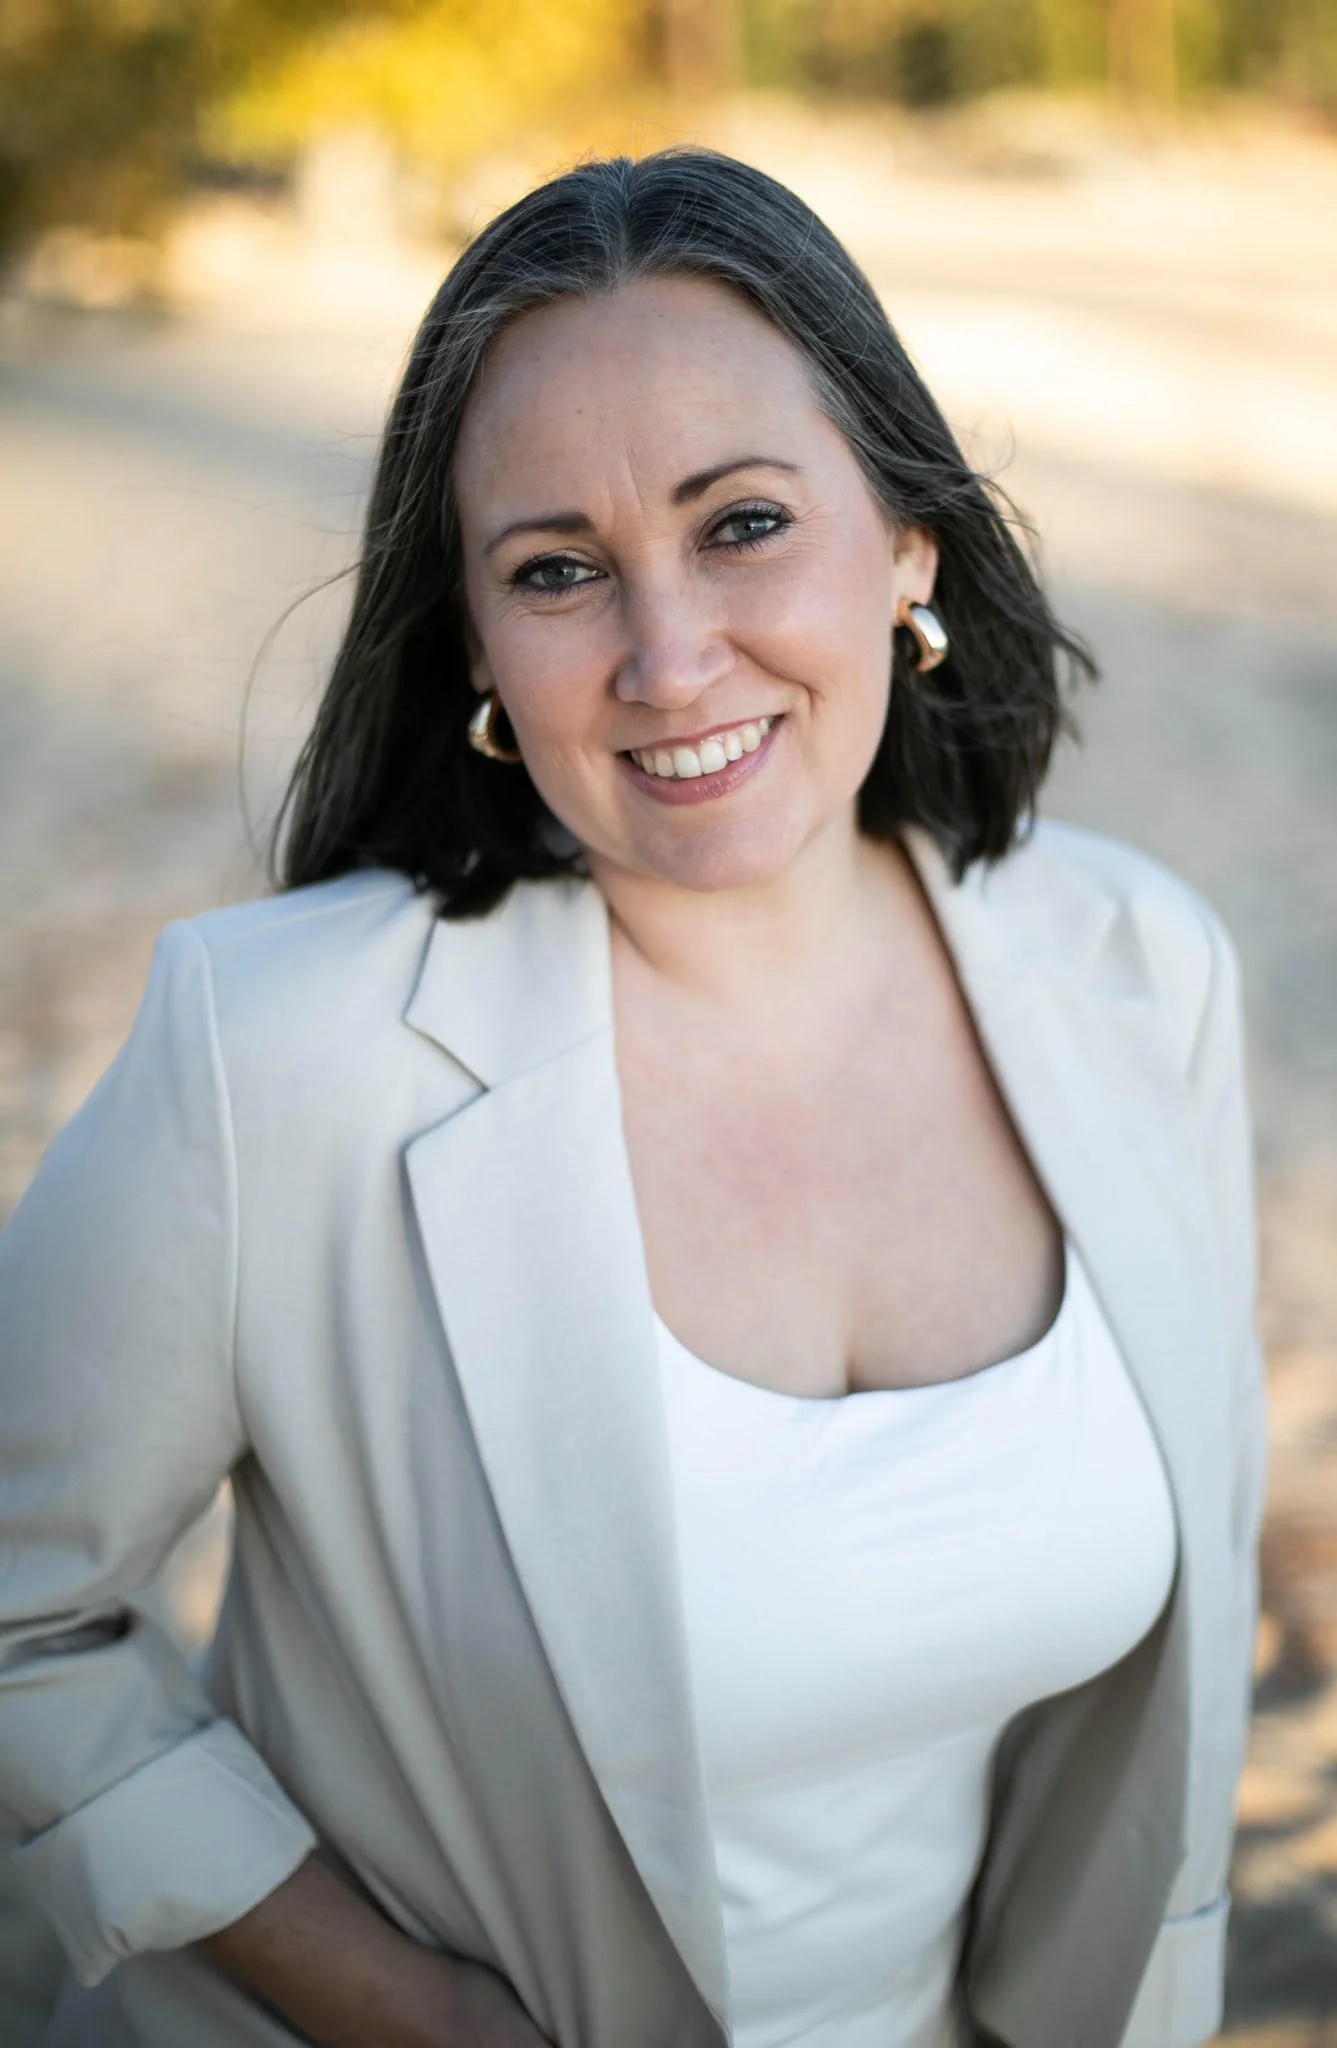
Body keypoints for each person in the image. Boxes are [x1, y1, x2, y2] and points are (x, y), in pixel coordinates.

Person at [0, 148, 1266, 2048]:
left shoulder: (1142, 973)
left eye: (742, 522)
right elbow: (27, 1619)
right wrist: (406, 2012)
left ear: (908, 542)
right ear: (483, 652)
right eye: (559, 570)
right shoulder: (273, 1057)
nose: (670, 663)